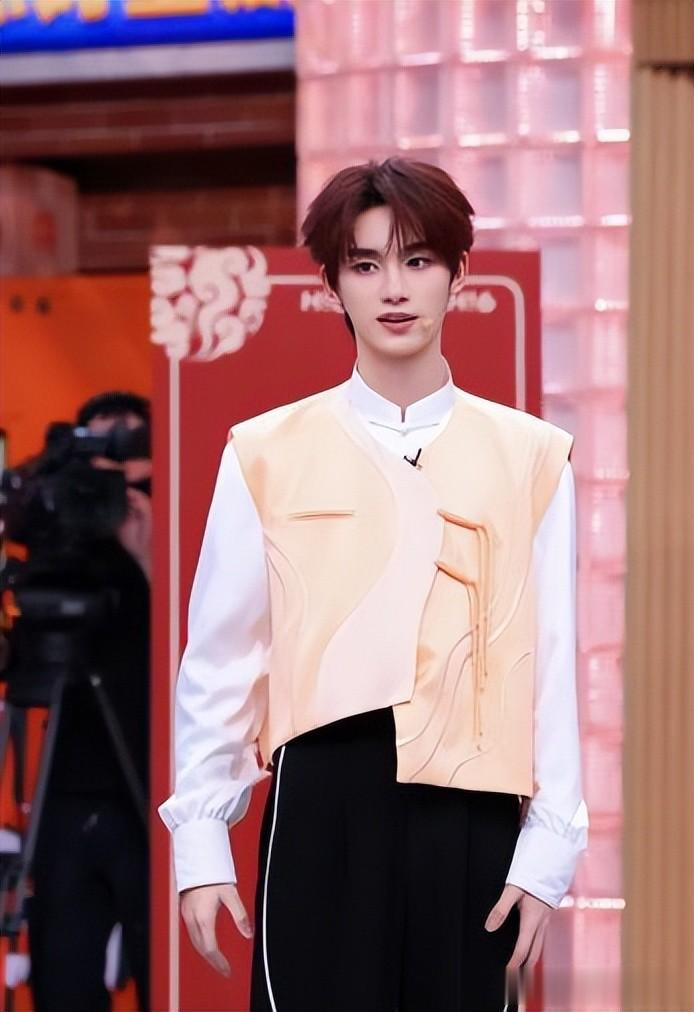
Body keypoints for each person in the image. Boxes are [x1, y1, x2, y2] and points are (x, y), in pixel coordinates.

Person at [159, 158, 588, 1011]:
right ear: (333, 285)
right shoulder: (264, 453)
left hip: (472, 814)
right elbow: (221, 662)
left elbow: (551, 664)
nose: (394, 288)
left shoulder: (532, 458)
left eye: (418, 260)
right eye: (365, 264)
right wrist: (201, 838)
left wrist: (548, 852)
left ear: (458, 275)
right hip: (322, 802)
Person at [28, 392, 151, 1012]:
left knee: (165, 969)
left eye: (127, 447)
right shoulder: (58, 531)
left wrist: (148, 554)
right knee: (62, 977)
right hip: (69, 785)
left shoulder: (169, 523)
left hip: (153, 788)